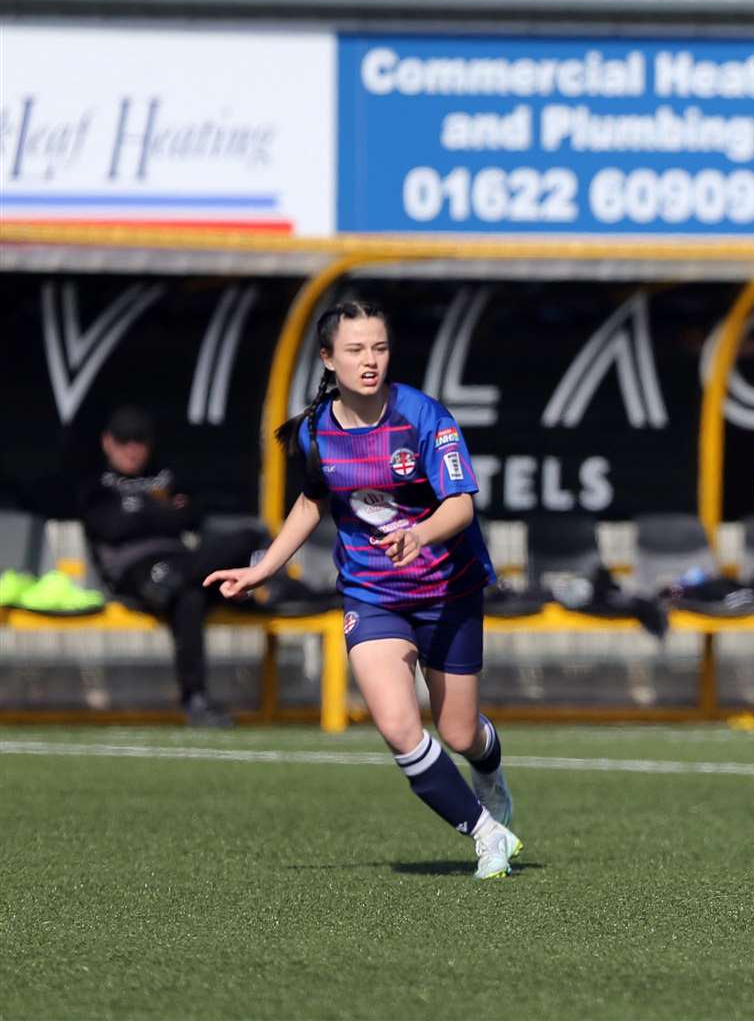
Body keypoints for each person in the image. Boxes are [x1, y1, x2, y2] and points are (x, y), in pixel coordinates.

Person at [204, 299, 522, 880]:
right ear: (329, 358)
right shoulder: (315, 432)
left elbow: (460, 504)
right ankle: (486, 833)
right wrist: (263, 567)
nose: (369, 361)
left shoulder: (424, 417)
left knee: (458, 732)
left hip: (448, 591)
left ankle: (490, 774)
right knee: (400, 727)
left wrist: (420, 534)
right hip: (373, 594)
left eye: (378, 348)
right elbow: (311, 502)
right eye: (354, 350)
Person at [81, 405, 261, 727]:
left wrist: (141, 510)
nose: (133, 449)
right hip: (134, 570)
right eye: (125, 440)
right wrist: (161, 511)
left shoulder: (166, 473)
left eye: (140, 440)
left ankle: (196, 698)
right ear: (107, 442)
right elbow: (111, 527)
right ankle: (196, 699)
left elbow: (193, 516)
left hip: (182, 562)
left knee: (247, 538)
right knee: (192, 593)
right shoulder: (97, 483)